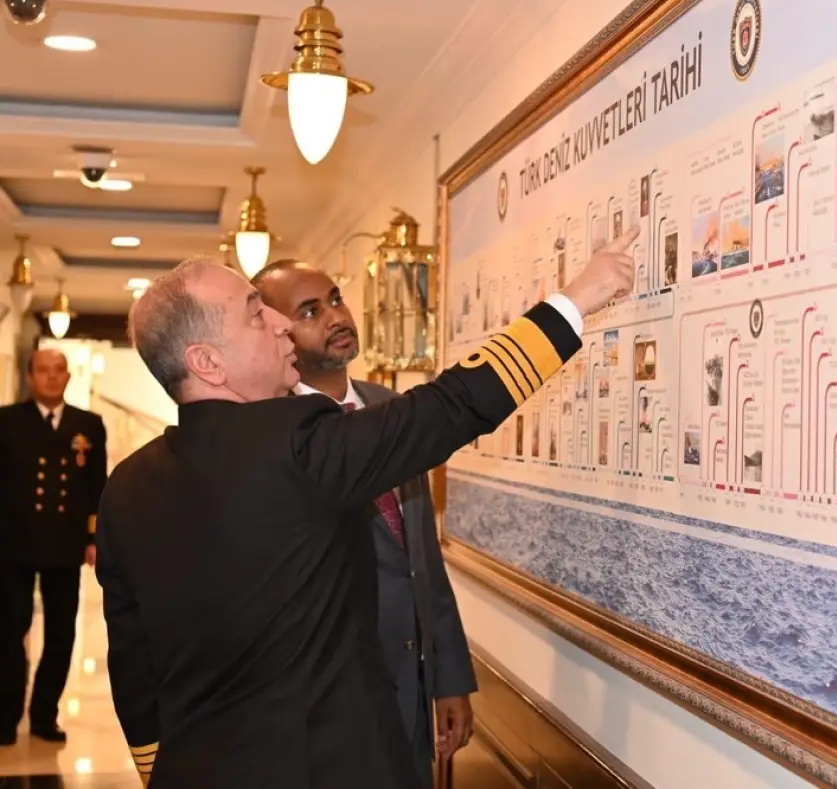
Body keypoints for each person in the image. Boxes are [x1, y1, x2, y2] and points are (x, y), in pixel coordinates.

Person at [96, 226, 637, 789]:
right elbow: (450, 406)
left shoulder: (126, 489)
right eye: (256, 314)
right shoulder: (298, 445)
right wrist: (577, 299)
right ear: (208, 362)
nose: (281, 323)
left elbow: (134, 674)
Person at [251, 259, 475, 785]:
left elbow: (421, 557)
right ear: (278, 331)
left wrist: (448, 677)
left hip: (412, 694)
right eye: (310, 311)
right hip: (329, 709)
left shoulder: (391, 409)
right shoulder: (271, 434)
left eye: (335, 299)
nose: (335, 316)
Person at [0, 348, 107, 746]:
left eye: (58, 369)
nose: (51, 376)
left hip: (65, 543)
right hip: (12, 543)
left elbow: (97, 485)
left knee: (61, 633)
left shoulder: (88, 425)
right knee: (9, 631)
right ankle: (5, 715)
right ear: (30, 377)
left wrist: (94, 538)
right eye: (43, 370)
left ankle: (45, 715)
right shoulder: (7, 421)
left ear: (68, 376)